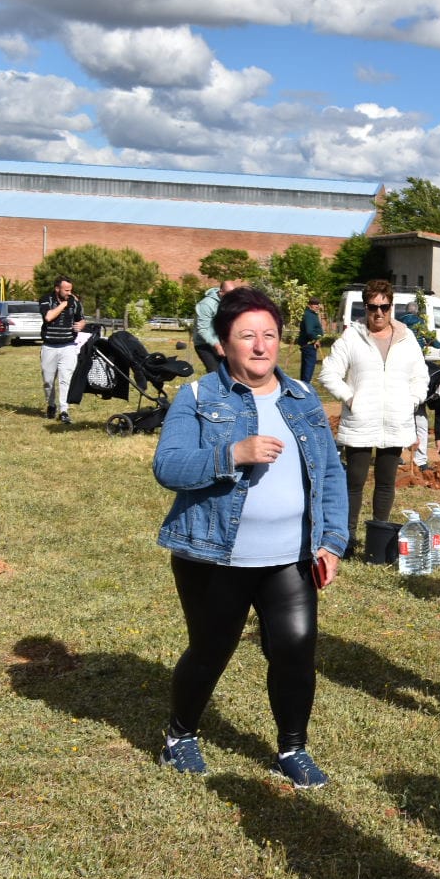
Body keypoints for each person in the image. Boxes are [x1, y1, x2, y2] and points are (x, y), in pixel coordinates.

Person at [151, 287, 349, 788]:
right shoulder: (197, 397)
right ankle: (180, 734)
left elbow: (329, 476)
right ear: (223, 344)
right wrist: (231, 454)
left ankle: (292, 748)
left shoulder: (302, 400)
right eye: (247, 336)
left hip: (290, 558)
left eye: (270, 335)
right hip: (216, 557)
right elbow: (169, 466)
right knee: (212, 648)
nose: (261, 346)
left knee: (296, 648)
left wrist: (331, 540)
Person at [319, 280, 429, 553]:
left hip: (395, 420)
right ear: (365, 307)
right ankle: (346, 538)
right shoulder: (351, 337)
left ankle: (378, 538)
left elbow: (420, 377)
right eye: (372, 307)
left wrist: (411, 401)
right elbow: (329, 373)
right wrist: (350, 397)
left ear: (392, 307)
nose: (378, 313)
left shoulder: (407, 338)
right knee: (354, 482)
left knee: (385, 481)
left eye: (384, 307)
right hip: (360, 421)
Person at [38, 276, 86, 424]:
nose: (69, 293)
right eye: (66, 290)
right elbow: (48, 316)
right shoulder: (46, 299)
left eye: (70, 290)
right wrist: (64, 304)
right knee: (48, 381)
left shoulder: (75, 302)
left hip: (68, 346)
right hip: (49, 346)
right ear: (57, 289)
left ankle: (64, 410)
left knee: (66, 379)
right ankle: (51, 405)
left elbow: (81, 318)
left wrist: (82, 325)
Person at [193, 279, 238, 373]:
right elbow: (203, 329)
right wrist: (217, 346)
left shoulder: (230, 301)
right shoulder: (206, 305)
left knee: (233, 370)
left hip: (222, 341)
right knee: (215, 371)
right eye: (229, 294)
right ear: (221, 292)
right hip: (204, 343)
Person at [297, 297, 324, 383]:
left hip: (309, 344)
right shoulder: (309, 316)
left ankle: (303, 385)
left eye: (317, 304)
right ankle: (306, 386)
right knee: (308, 368)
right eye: (314, 304)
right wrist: (316, 338)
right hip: (309, 345)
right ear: (309, 305)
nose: (317, 306)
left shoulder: (311, 314)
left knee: (306, 368)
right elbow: (309, 331)